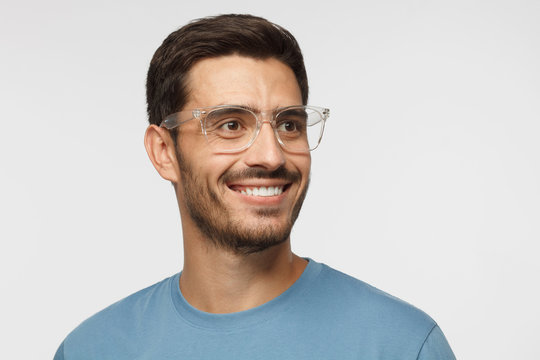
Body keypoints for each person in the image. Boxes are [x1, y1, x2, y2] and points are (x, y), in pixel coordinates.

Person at [54, 14, 455, 359]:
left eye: (289, 125)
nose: (272, 155)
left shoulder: (400, 345)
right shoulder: (94, 349)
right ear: (164, 152)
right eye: (231, 125)